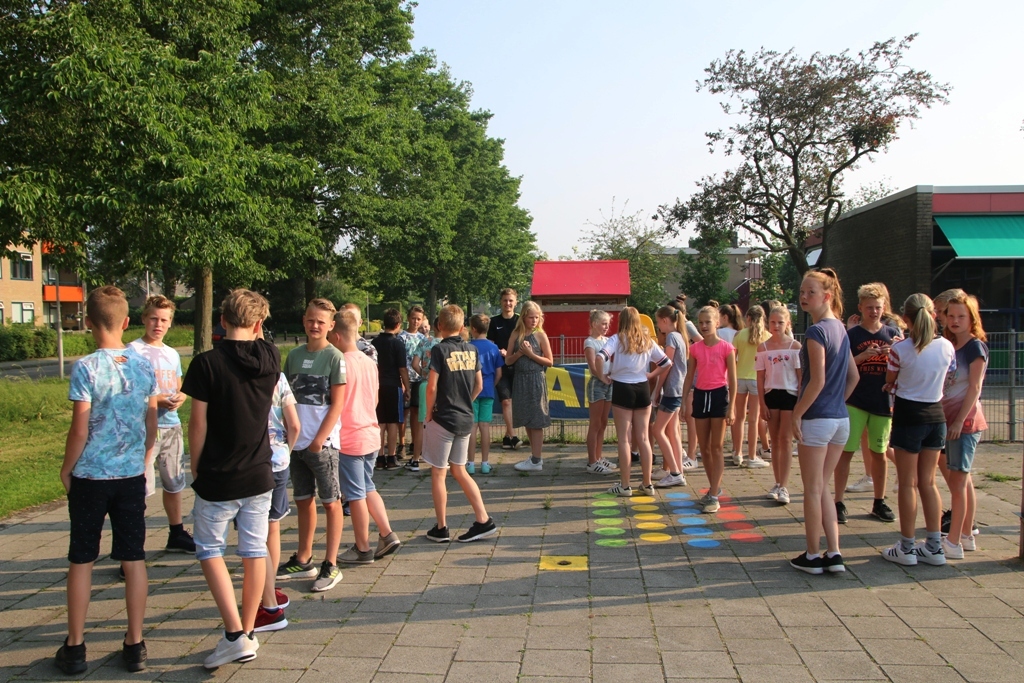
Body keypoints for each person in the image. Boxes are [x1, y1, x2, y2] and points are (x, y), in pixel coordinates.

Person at [56, 286, 159, 674]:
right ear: (127, 322)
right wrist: (143, 459)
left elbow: (79, 429)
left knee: (82, 558)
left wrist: (67, 468)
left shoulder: (85, 368)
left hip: (91, 477)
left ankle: (75, 646)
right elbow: (151, 423)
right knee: (134, 558)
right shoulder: (144, 366)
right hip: (130, 475)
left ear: (88, 322)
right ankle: (135, 644)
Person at [182, 289, 281, 668]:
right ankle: (249, 629)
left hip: (218, 474)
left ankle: (234, 634)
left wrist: (195, 466)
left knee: (209, 549)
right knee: (254, 549)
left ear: (221, 321)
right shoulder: (271, 357)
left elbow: (198, 423)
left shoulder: (206, 364)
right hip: (259, 473)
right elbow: (259, 343)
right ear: (259, 325)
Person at [790, 269, 859, 575]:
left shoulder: (816, 332)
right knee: (822, 487)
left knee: (812, 489)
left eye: (811, 292)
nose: (804, 297)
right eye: (802, 292)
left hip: (818, 419)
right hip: (840, 420)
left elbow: (816, 381)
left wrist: (797, 413)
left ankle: (812, 555)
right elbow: (853, 377)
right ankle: (834, 552)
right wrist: (836, 402)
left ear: (827, 296)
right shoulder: (840, 328)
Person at [881, 293, 956, 567]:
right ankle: (934, 546)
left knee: (907, 483)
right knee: (929, 482)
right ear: (933, 315)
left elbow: (890, 379)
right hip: (936, 416)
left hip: (908, 416)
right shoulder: (947, 346)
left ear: (906, 319)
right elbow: (950, 374)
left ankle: (907, 546)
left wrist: (893, 384)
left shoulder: (900, 349)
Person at [278, 298, 347, 593]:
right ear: (303, 321)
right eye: (310, 319)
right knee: (303, 499)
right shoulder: (293, 356)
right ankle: (304, 559)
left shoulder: (335, 357)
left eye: (321, 321)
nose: (315, 325)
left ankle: (331, 563)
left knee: (331, 502)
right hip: (295, 444)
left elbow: (337, 404)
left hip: (323, 444)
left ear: (331, 325)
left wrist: (319, 440)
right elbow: (284, 397)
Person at [328, 310, 402, 564]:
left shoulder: (339, 363)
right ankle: (387, 533)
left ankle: (362, 548)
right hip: (370, 434)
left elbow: (335, 403)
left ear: (337, 336)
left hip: (350, 437)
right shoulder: (369, 362)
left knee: (355, 494)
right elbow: (375, 398)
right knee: (368, 487)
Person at [422, 304, 498, 543]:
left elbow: (432, 386)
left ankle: (441, 527)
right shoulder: (472, 350)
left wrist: (428, 413)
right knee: (459, 470)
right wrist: (467, 402)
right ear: (463, 326)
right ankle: (483, 519)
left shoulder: (439, 350)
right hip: (465, 418)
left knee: (438, 473)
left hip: (444, 418)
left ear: (439, 326)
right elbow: (479, 384)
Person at [128, 295, 195, 553]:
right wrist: (156, 400)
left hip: (171, 425)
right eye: (154, 319)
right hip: (144, 429)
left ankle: (176, 532)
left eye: (164, 320)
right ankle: (134, 542)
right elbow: (129, 392)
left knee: (174, 482)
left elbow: (178, 386)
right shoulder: (132, 351)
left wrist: (181, 397)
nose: (158, 325)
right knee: (140, 486)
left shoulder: (172, 354)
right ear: (144, 318)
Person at [833, 283, 900, 524]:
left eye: (878, 307)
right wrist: (862, 357)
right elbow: (839, 367)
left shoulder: (893, 334)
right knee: (846, 451)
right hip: (855, 401)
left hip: (882, 402)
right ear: (860, 307)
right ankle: (838, 501)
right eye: (869, 307)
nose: (874, 312)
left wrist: (895, 353)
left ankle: (879, 501)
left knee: (879, 452)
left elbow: (906, 366)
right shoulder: (851, 335)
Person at [596, 307, 672, 496]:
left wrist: (602, 376)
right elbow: (666, 362)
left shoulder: (616, 339)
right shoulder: (646, 340)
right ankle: (647, 484)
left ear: (622, 321)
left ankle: (625, 485)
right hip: (642, 388)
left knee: (624, 439)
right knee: (644, 438)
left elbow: (600, 356)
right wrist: (651, 375)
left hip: (622, 388)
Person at [940, 291, 988, 559]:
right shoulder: (951, 345)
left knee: (958, 482)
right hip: (951, 420)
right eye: (951, 316)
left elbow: (975, 386)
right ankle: (966, 535)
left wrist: (959, 420)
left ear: (972, 319)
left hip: (965, 422)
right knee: (963, 480)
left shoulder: (974, 347)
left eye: (961, 316)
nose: (955, 321)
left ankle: (954, 540)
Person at [254, 365, 300, 633]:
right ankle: (270, 588)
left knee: (254, 534)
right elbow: (294, 425)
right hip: (278, 459)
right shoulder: (278, 377)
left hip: (251, 462)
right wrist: (286, 452)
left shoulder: (237, 375)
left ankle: (267, 599)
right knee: (273, 526)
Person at [681, 305, 736, 513]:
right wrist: (684, 401)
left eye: (708, 322)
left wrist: (732, 407)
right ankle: (714, 487)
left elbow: (733, 380)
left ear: (717, 323)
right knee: (703, 448)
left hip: (719, 395)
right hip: (701, 395)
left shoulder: (727, 348)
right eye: (701, 323)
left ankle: (713, 495)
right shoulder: (695, 349)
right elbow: (689, 376)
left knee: (716, 447)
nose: (704, 326)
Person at [756, 305, 801, 505]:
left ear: (787, 323)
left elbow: (800, 377)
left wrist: (800, 403)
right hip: (771, 394)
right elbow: (760, 378)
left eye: (780, 322)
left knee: (786, 440)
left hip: (790, 395)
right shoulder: (763, 348)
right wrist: (762, 403)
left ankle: (784, 485)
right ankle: (777, 482)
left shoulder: (795, 347)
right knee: (774, 440)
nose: (776, 326)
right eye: (773, 322)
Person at [508, 302, 554, 472]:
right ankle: (534, 456)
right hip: (520, 379)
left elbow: (549, 361)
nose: (534, 320)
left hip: (535, 379)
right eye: (531, 317)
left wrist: (531, 354)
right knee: (527, 418)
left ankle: (537, 459)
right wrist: (519, 353)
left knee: (536, 420)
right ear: (523, 317)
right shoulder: (516, 334)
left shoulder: (540, 335)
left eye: (537, 317)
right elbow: (508, 360)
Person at [651, 305, 689, 487]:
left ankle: (674, 472)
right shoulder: (680, 336)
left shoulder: (672, 337)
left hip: (672, 389)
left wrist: (657, 389)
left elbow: (666, 364)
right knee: (673, 432)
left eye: (658, 323)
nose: (658, 327)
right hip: (678, 389)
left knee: (657, 430)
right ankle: (678, 471)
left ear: (665, 320)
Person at [731, 306, 771, 468]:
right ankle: (752, 455)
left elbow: (732, 358)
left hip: (740, 378)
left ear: (747, 318)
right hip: (757, 379)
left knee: (739, 418)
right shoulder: (767, 336)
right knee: (754, 419)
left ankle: (737, 452)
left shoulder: (739, 335)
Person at [371, 309, 410, 470]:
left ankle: (379, 457)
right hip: (393, 385)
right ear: (398, 324)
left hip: (377, 386)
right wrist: (407, 387)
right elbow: (402, 369)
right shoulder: (398, 343)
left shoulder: (374, 343)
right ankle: (392, 457)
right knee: (393, 422)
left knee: (380, 422)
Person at [467, 314, 504, 474]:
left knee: (472, 427)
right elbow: (499, 373)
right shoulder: (494, 348)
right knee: (485, 426)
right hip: (488, 389)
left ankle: (470, 464)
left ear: (473, 329)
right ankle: (485, 463)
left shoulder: (468, 347)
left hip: (471, 390)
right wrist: (491, 386)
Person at [584, 310, 618, 474]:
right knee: (595, 423)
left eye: (607, 324)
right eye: (604, 324)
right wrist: (603, 377)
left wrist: (611, 375)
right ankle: (592, 462)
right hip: (597, 384)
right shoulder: (589, 342)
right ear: (594, 324)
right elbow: (593, 366)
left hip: (608, 382)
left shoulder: (607, 340)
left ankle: (599, 457)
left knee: (603, 422)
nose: (606, 327)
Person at [487, 288, 521, 450]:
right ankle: (513, 436)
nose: (508, 303)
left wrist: (513, 353)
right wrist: (498, 351)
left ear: (516, 302)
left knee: (516, 403)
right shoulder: (493, 322)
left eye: (510, 300)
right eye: (505, 300)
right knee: (506, 401)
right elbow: (489, 344)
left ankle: (507, 438)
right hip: (501, 367)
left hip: (519, 366)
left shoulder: (520, 321)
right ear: (501, 302)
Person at [407, 318, 441, 472]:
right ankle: (440, 459)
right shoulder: (447, 344)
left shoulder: (425, 342)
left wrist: (424, 374)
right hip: (443, 385)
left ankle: (415, 459)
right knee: (441, 423)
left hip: (426, 384)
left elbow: (414, 363)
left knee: (422, 423)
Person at [398, 306, 426, 461]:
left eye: (418, 319)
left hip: (419, 379)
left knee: (416, 412)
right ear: (408, 318)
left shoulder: (423, 339)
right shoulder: (401, 337)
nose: (415, 321)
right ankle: (402, 443)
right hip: (405, 378)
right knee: (403, 412)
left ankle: (416, 443)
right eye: (413, 318)